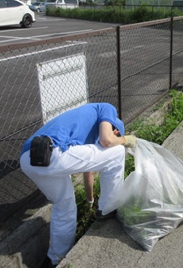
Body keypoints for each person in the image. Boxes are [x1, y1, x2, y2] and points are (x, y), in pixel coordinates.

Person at [20, 103, 136, 267]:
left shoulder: (86, 129)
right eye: (117, 134)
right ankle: (109, 208)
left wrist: (90, 202)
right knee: (116, 152)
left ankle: (56, 258)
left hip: (29, 158)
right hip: (53, 151)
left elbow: (87, 171)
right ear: (115, 127)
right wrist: (124, 140)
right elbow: (107, 140)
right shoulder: (106, 109)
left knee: (64, 205)